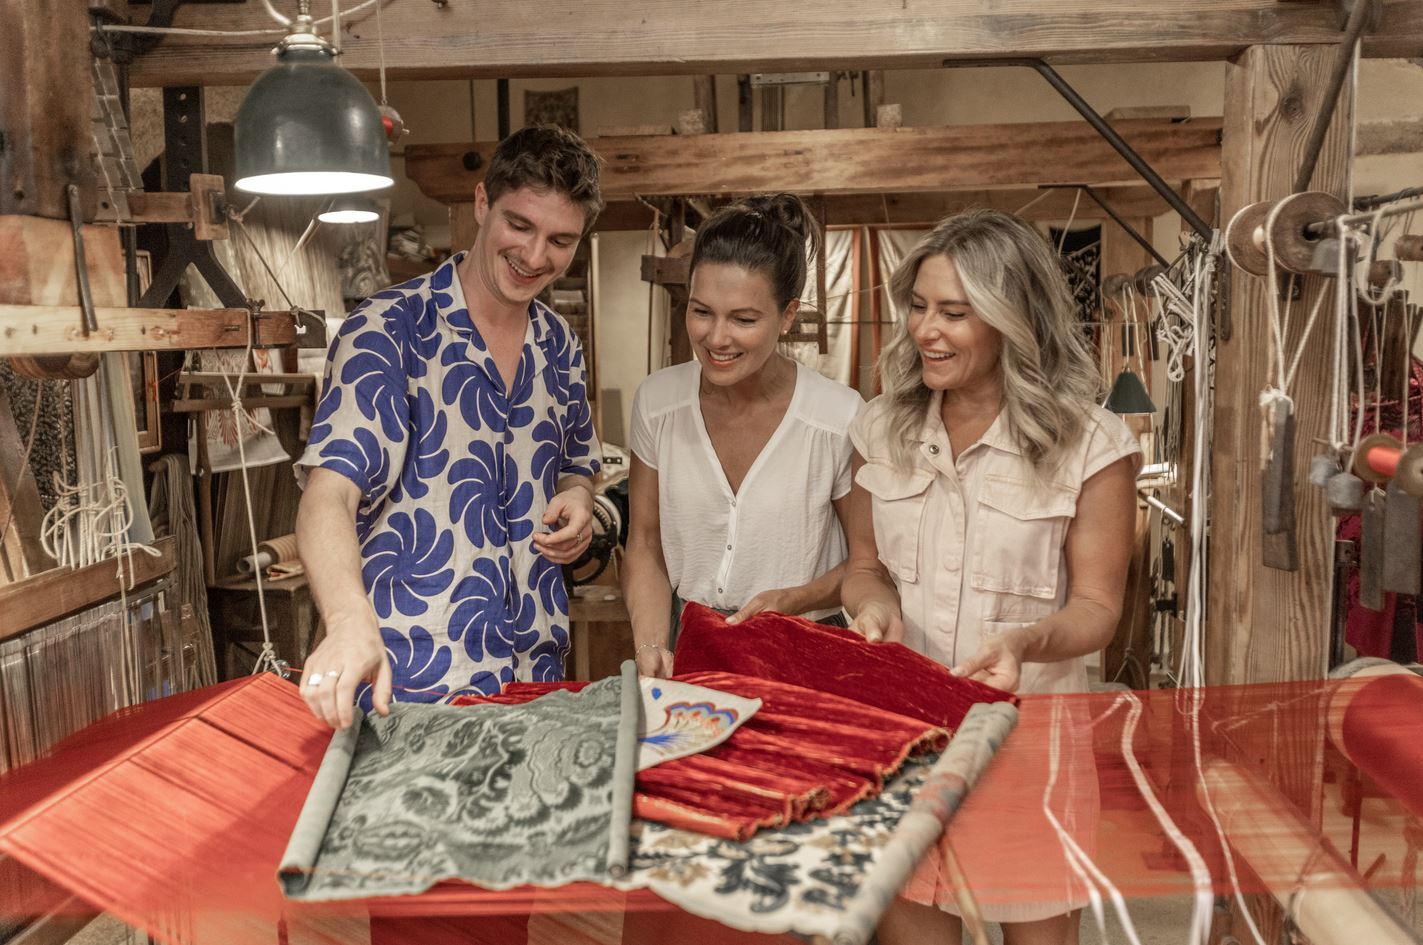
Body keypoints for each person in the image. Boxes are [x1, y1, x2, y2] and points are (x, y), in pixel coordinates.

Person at [841, 210, 1141, 945]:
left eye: (954, 312)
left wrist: (1023, 642)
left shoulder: (1089, 444)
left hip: (1029, 753)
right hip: (906, 746)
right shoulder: (880, 429)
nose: (925, 330)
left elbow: (1097, 606)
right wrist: (872, 609)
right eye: (918, 307)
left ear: (1013, 318)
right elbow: (865, 568)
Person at [294, 125, 604, 728]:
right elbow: (328, 494)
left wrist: (579, 497)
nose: (535, 256)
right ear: (483, 202)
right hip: (413, 683)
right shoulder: (388, 330)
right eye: (520, 225)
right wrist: (346, 621)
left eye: (560, 240)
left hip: (536, 675)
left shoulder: (558, 343)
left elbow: (576, 464)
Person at [623, 194, 864, 678]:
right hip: (693, 643)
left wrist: (794, 598)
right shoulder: (658, 402)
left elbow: (867, 564)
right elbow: (645, 543)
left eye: (744, 319)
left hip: (807, 648)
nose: (716, 338)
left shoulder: (837, 417)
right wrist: (651, 642)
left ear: (788, 315)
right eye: (702, 311)